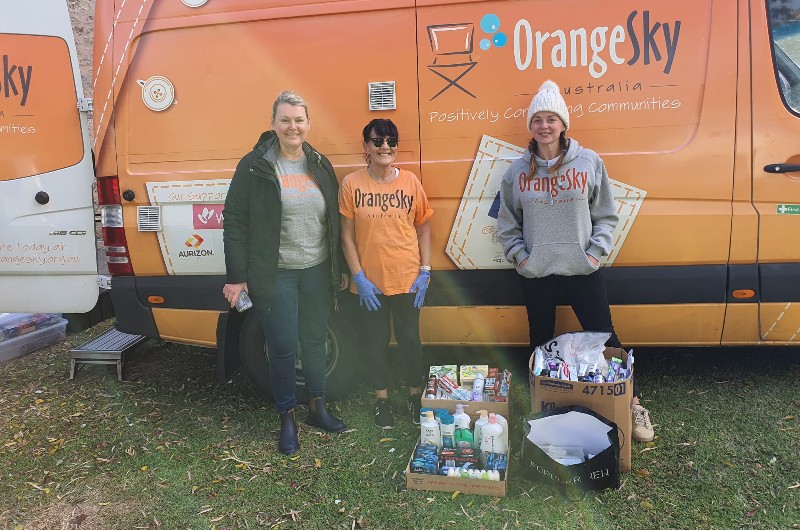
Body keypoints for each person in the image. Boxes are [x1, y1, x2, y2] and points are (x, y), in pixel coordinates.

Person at [496, 80, 655, 442]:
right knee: (540, 341)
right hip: (537, 272)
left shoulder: (588, 161)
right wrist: (521, 258)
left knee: (607, 337)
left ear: (563, 124)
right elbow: (507, 224)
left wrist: (594, 251)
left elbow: (606, 214)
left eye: (552, 118)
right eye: (537, 119)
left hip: (582, 268)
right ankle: (542, 409)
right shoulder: (517, 172)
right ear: (530, 126)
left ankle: (632, 405)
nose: (544, 126)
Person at [222, 90, 348, 455]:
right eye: (285, 120)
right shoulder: (255, 165)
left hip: (317, 269)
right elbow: (235, 221)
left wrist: (337, 265)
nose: (293, 126)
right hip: (275, 273)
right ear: (273, 124)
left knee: (313, 340)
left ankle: (317, 408)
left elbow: (334, 220)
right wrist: (236, 275)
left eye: (299, 120)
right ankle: (287, 418)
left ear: (308, 124)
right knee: (280, 345)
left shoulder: (319, 163)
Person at [339, 118, 434, 429]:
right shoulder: (352, 184)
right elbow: (346, 237)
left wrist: (426, 270)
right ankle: (382, 401)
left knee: (410, 340)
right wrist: (359, 278)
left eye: (391, 141)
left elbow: (423, 228)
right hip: (371, 284)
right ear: (365, 146)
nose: (385, 147)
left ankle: (414, 397)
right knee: (375, 342)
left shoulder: (410, 182)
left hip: (407, 278)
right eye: (377, 141)